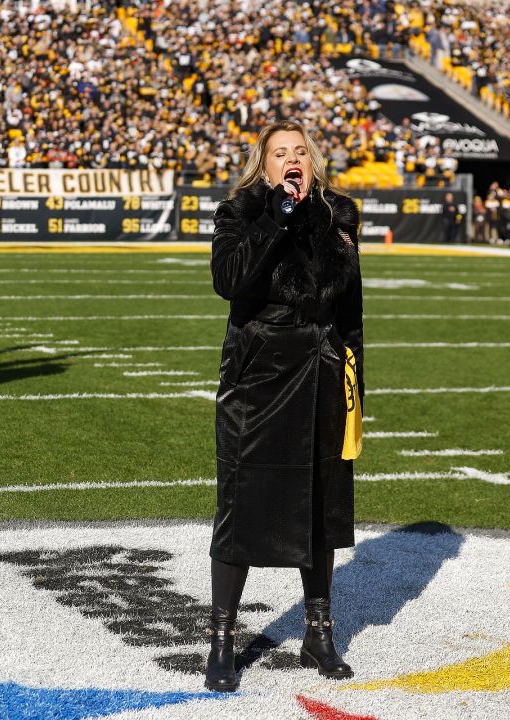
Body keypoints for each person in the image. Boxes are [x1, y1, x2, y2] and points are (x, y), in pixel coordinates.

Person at [206, 120, 364, 691]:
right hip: (259, 381)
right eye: (280, 153)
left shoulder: (338, 216)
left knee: (321, 507)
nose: (292, 160)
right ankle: (222, 639)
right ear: (264, 165)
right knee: (241, 505)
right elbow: (229, 280)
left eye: (300, 151)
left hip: (323, 376)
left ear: (313, 160)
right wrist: (277, 215)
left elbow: (351, 315)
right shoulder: (240, 214)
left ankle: (318, 634)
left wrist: (356, 388)